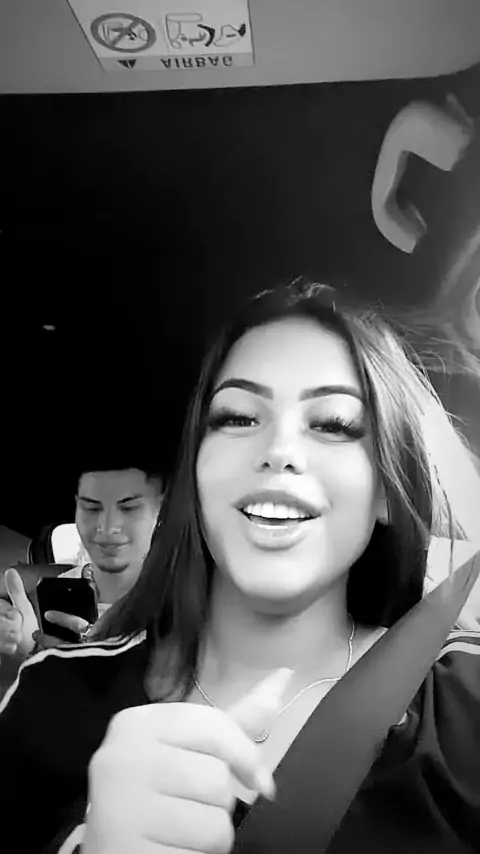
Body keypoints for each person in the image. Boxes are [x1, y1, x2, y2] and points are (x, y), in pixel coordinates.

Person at [1, 279, 480, 854]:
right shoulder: (50, 697)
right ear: (197, 474)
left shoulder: (466, 708)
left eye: (332, 423)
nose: (278, 450)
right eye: (238, 418)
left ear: (384, 491)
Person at [0, 460, 164, 662]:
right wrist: (32, 652)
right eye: (91, 508)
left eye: (129, 508)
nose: (107, 527)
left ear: (160, 510)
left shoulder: (183, 596)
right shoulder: (56, 592)